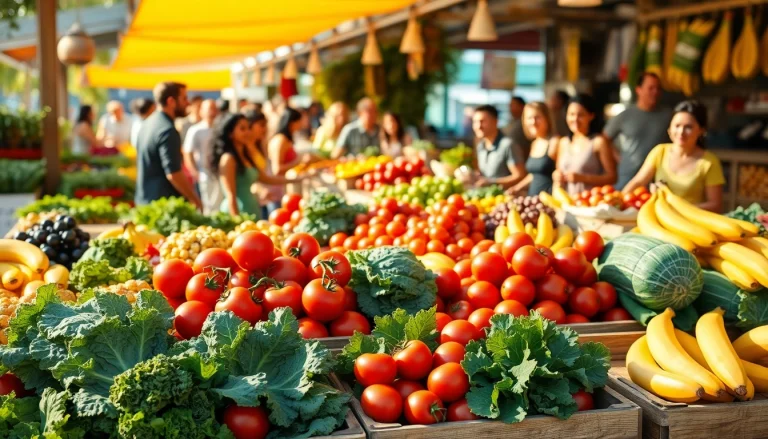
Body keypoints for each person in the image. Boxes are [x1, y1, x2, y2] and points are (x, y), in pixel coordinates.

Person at [622, 100, 725, 212]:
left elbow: (715, 205)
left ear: (701, 131)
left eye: (688, 127)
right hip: (658, 218)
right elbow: (637, 182)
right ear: (669, 129)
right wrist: (618, 200)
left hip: (691, 224)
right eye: (677, 126)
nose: (681, 132)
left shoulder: (709, 162)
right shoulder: (659, 151)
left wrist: (677, 209)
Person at [211, 113, 308, 218]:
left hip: (252, 210)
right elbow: (231, 196)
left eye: (248, 128)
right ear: (230, 133)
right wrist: (237, 221)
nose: (248, 132)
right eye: (242, 129)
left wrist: (297, 179)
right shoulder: (228, 159)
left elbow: (266, 179)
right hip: (237, 213)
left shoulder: (246, 155)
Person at [135, 81, 201, 209]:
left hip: (145, 201)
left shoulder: (147, 123)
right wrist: (195, 199)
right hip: (162, 205)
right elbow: (173, 173)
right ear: (171, 101)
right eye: (184, 98)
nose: (188, 103)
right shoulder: (167, 130)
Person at [604, 72, 673, 189]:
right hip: (626, 180)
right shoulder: (625, 115)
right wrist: (617, 157)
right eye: (651, 88)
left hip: (656, 183)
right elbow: (604, 139)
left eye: (658, 88)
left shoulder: (668, 117)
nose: (655, 92)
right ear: (638, 90)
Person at [554, 94, 617, 196]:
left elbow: (612, 177)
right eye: (571, 114)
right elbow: (559, 171)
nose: (575, 119)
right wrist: (557, 176)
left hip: (590, 205)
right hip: (565, 204)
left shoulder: (598, 142)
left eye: (581, 115)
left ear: (591, 116)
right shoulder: (563, 142)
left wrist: (582, 178)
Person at [507, 102, 559, 195]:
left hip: (550, 202)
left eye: (537, 117)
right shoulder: (535, 143)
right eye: (529, 118)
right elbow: (535, 175)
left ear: (547, 118)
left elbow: (560, 176)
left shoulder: (555, 142)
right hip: (533, 201)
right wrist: (516, 188)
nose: (533, 122)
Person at [472, 105, 526, 188]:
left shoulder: (508, 145)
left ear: (495, 122)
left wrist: (492, 183)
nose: (478, 126)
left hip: (505, 197)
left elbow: (520, 176)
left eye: (482, 121)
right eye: (475, 122)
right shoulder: (480, 146)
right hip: (486, 198)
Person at [265, 107, 305, 213]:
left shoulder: (282, 139)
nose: (301, 125)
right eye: (299, 122)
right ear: (292, 122)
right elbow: (277, 169)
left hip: (281, 188)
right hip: (277, 191)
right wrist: (299, 161)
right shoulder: (281, 141)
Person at [182, 99, 219, 214]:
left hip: (219, 173)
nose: (212, 112)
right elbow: (188, 152)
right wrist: (194, 172)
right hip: (204, 173)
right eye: (209, 109)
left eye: (214, 109)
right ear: (202, 111)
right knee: (208, 206)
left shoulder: (219, 128)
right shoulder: (195, 130)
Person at [503, 96, 532, 160]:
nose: (510, 108)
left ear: (521, 106)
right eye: (510, 106)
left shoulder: (528, 123)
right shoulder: (512, 122)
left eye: (513, 105)